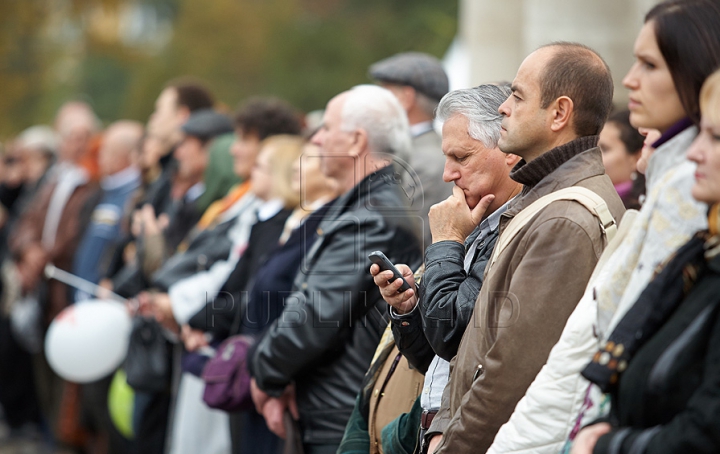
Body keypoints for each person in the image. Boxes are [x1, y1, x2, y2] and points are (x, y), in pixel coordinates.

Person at [490, 2, 720, 452]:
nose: (630, 78)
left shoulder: (685, 186)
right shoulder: (673, 176)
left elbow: (607, 340)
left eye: (650, 64)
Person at [426, 43, 625, 454]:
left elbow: (511, 368)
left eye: (518, 96)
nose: (504, 107)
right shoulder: (544, 198)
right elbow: (477, 347)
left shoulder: (565, 215)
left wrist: (454, 444)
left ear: (559, 113)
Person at [338, 84, 523, 454]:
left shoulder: (514, 227)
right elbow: (432, 357)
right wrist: (406, 309)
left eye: (462, 157)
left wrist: (445, 242)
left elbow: (450, 334)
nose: (447, 174)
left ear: (509, 153)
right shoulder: (478, 221)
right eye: (446, 157)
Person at [249, 85, 423, 454]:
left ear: (356, 140)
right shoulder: (365, 206)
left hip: (339, 417)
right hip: (329, 404)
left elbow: (314, 315)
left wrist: (263, 373)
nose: (317, 138)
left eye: (327, 128)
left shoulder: (374, 216)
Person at [572, 67, 720, 454]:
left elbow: (704, 428)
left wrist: (610, 443)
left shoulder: (682, 208)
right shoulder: (703, 251)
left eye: (715, 137)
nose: (694, 152)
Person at [369, 52, 454, 248]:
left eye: (384, 92)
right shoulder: (420, 154)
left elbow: (399, 240)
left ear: (405, 99)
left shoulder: (423, 161)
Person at [598, 110, 645, 209]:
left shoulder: (641, 208)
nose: (594, 156)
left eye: (605, 149)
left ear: (636, 158)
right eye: (594, 148)